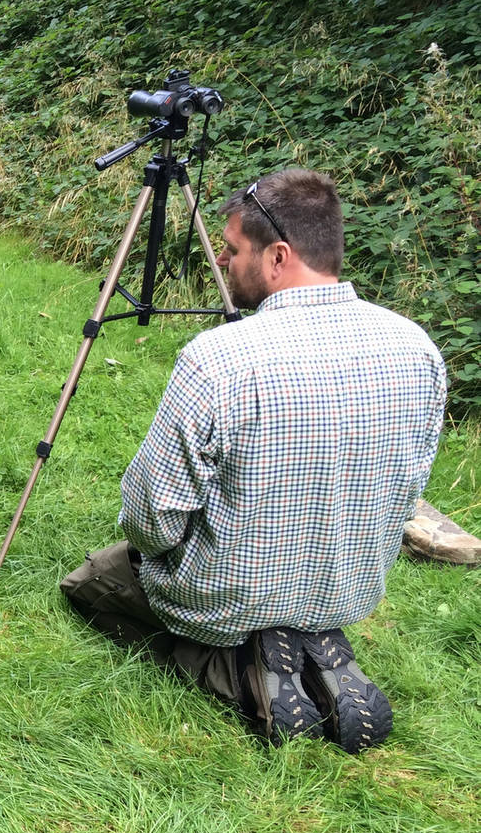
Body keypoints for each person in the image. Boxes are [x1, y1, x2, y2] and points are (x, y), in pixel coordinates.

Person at [60, 169, 446, 753]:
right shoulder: (419, 349)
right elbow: (409, 488)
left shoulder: (221, 357)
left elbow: (151, 517)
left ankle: (244, 673)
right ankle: (314, 644)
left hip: (225, 596)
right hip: (347, 586)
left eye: (233, 249)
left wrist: (154, 551)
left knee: (93, 580)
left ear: (278, 257)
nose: (221, 260)